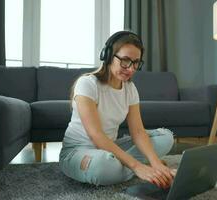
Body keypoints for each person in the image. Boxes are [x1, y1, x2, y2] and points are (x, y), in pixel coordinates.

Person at [59, 30, 176, 188]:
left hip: (111, 147)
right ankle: (135, 167)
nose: (131, 69)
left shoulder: (130, 88)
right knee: (104, 167)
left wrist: (156, 164)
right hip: (78, 152)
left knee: (166, 137)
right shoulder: (87, 84)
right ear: (108, 56)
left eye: (136, 63)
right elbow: (96, 135)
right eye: (125, 61)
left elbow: (138, 132)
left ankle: (137, 166)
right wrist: (137, 166)